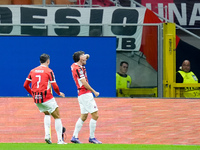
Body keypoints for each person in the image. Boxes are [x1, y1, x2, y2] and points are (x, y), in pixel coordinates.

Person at [23, 53, 67, 144]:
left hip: (37, 99)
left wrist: (33, 94)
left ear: (40, 61)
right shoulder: (49, 71)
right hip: (47, 97)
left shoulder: (33, 71)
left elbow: (25, 85)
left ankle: (47, 136)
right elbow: (54, 86)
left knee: (47, 114)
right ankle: (59, 140)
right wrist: (59, 93)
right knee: (57, 116)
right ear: (48, 61)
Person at [70, 51, 102, 144]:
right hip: (85, 94)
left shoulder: (74, 65)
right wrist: (94, 91)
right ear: (80, 59)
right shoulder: (78, 69)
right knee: (95, 115)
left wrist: (86, 56)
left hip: (80, 94)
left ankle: (74, 137)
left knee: (83, 116)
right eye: (83, 56)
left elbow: (87, 56)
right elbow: (84, 82)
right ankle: (92, 137)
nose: (85, 57)